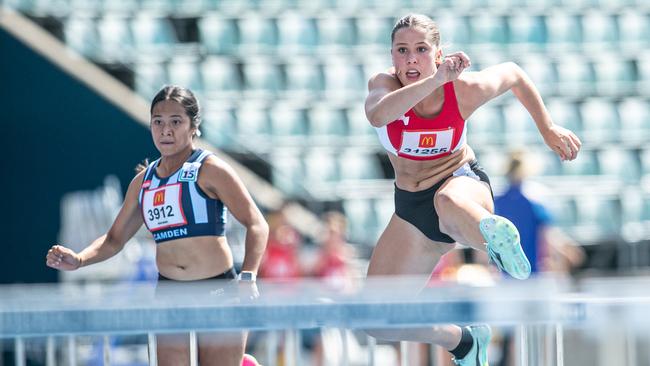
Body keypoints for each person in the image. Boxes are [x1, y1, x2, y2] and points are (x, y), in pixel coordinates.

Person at [363, 14, 581, 365]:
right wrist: (435, 79)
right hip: (411, 211)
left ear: (438, 53)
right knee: (374, 319)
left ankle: (493, 241)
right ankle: (459, 339)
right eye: (402, 51)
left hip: (462, 183)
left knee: (447, 200)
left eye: (421, 49)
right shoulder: (383, 86)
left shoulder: (462, 90)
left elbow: (513, 73)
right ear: (392, 57)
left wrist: (547, 127)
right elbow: (378, 116)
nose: (411, 59)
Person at [45, 85, 269, 366]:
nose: (166, 130)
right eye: (158, 122)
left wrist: (248, 277)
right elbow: (114, 239)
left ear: (193, 126)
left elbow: (257, 224)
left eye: (176, 122)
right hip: (169, 293)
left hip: (217, 291)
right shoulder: (143, 183)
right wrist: (78, 259)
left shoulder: (211, 170)